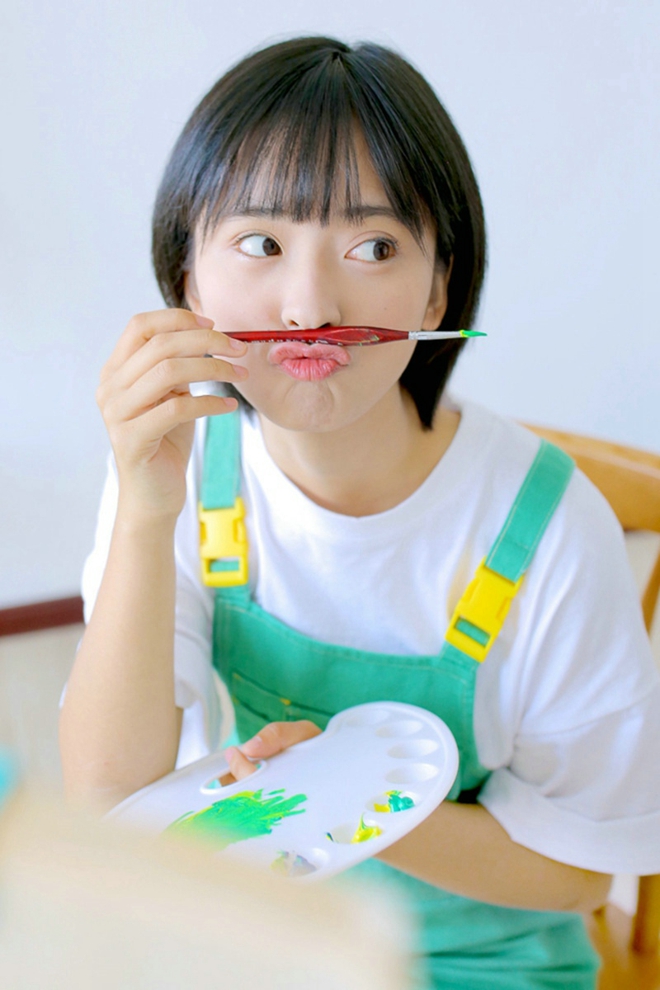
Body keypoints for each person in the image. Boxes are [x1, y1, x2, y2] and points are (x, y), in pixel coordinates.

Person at [59, 36, 660, 989]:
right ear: (188, 280)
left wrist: (356, 798)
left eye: (373, 247)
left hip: (476, 966)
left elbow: (580, 873)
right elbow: (108, 792)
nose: (308, 306)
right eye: (261, 244)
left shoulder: (550, 526)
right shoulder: (182, 466)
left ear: (440, 285)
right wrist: (143, 508)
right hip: (256, 940)